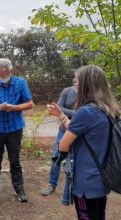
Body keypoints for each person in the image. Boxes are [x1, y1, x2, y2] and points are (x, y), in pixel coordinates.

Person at [48, 65, 119, 219]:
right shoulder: (107, 108)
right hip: (101, 177)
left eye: (77, 82)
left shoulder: (86, 111)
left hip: (85, 182)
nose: (75, 85)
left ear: (86, 85)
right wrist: (61, 115)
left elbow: (63, 144)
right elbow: (81, 130)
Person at [0, 58, 33, 202]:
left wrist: (14, 108)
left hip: (14, 128)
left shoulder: (20, 83)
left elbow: (30, 103)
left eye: (5, 74)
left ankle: (19, 189)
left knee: (15, 160)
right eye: (0, 75)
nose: (3, 77)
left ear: (11, 71)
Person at [41, 72, 78, 204]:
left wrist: (63, 112)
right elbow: (58, 107)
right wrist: (63, 112)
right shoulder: (67, 91)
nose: (77, 83)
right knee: (56, 157)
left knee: (77, 160)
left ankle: (73, 188)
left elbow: (82, 113)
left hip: (80, 133)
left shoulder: (89, 95)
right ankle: (52, 184)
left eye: (79, 80)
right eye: (76, 80)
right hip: (63, 130)